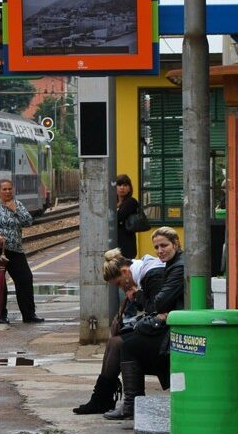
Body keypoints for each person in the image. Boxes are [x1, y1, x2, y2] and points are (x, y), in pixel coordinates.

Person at [104, 227, 184, 420]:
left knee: (129, 345)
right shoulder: (171, 264)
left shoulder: (178, 267)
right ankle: (124, 402)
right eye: (156, 247)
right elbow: (157, 305)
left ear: (175, 244)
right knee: (129, 341)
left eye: (164, 245)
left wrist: (147, 303)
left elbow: (158, 303)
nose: (160, 251)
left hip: (179, 329)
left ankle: (130, 404)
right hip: (175, 324)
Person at [72, 249, 165, 415]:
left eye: (120, 283)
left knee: (120, 344)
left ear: (125, 272)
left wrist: (137, 295)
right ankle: (102, 397)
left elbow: (157, 308)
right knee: (115, 341)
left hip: (166, 332)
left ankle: (105, 399)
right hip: (158, 328)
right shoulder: (143, 273)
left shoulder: (153, 275)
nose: (121, 287)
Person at [0, 179, 44, 324]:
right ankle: (1, 315)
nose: (7, 192)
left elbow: (28, 221)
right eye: (4, 189)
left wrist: (16, 210)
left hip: (16, 250)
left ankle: (29, 314)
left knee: (25, 279)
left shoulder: (18, 205)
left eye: (9, 189)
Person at [115, 174, 139, 259]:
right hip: (114, 243)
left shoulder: (131, 202)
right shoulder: (112, 203)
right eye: (119, 185)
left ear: (129, 188)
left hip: (126, 245)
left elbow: (117, 217)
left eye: (125, 185)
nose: (122, 188)